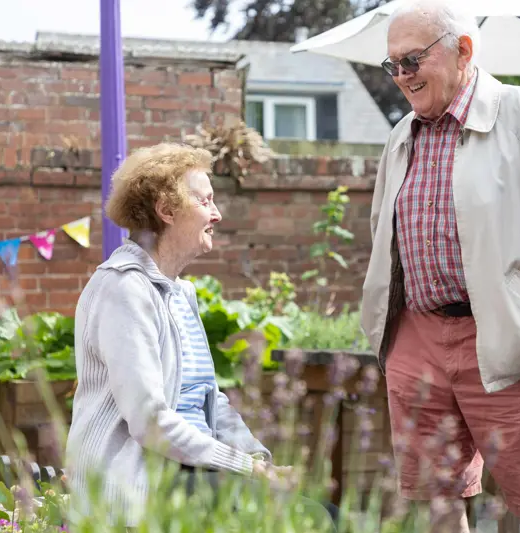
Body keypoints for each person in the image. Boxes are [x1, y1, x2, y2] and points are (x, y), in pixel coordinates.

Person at [360, 1, 520, 531]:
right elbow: (383, 234)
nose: (402, 75)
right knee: (436, 505)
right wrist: (391, 337)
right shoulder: (401, 135)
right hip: (416, 339)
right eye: (393, 65)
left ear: (463, 50)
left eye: (413, 60)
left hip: (503, 339)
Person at [65, 143, 335, 530]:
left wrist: (258, 460)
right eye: (205, 201)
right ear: (167, 210)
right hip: (142, 482)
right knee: (312, 520)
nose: (216, 213)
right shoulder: (124, 289)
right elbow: (149, 422)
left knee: (331, 514)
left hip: (192, 472)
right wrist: (246, 468)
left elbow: (210, 400)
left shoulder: (179, 293)